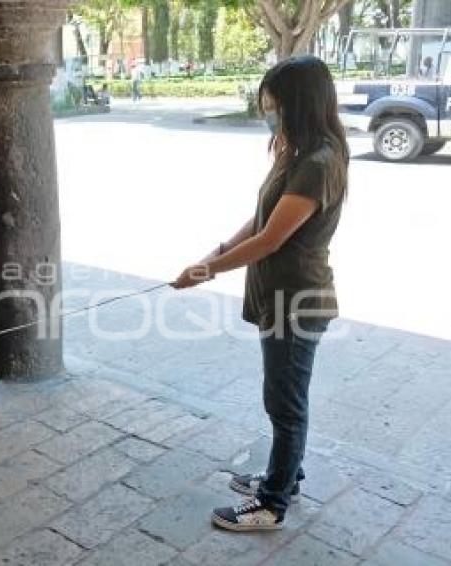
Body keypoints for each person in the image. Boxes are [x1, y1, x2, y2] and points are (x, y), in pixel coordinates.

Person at [171, 56, 348, 532]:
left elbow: (272, 239)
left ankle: (272, 503)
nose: (269, 114)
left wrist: (207, 271)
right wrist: (215, 252)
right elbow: (263, 220)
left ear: (300, 104)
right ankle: (284, 476)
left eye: (274, 106)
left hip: (298, 301)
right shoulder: (295, 154)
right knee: (285, 398)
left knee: (285, 403)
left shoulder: (320, 162)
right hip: (279, 297)